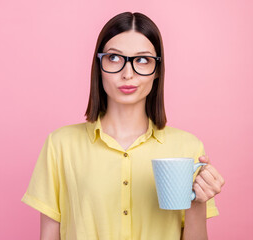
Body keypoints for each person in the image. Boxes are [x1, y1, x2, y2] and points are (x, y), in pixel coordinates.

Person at [21, 11, 225, 240]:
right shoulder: (60, 145)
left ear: (157, 70)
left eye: (142, 60)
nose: (127, 74)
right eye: (115, 58)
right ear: (99, 65)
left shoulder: (188, 148)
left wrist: (198, 202)